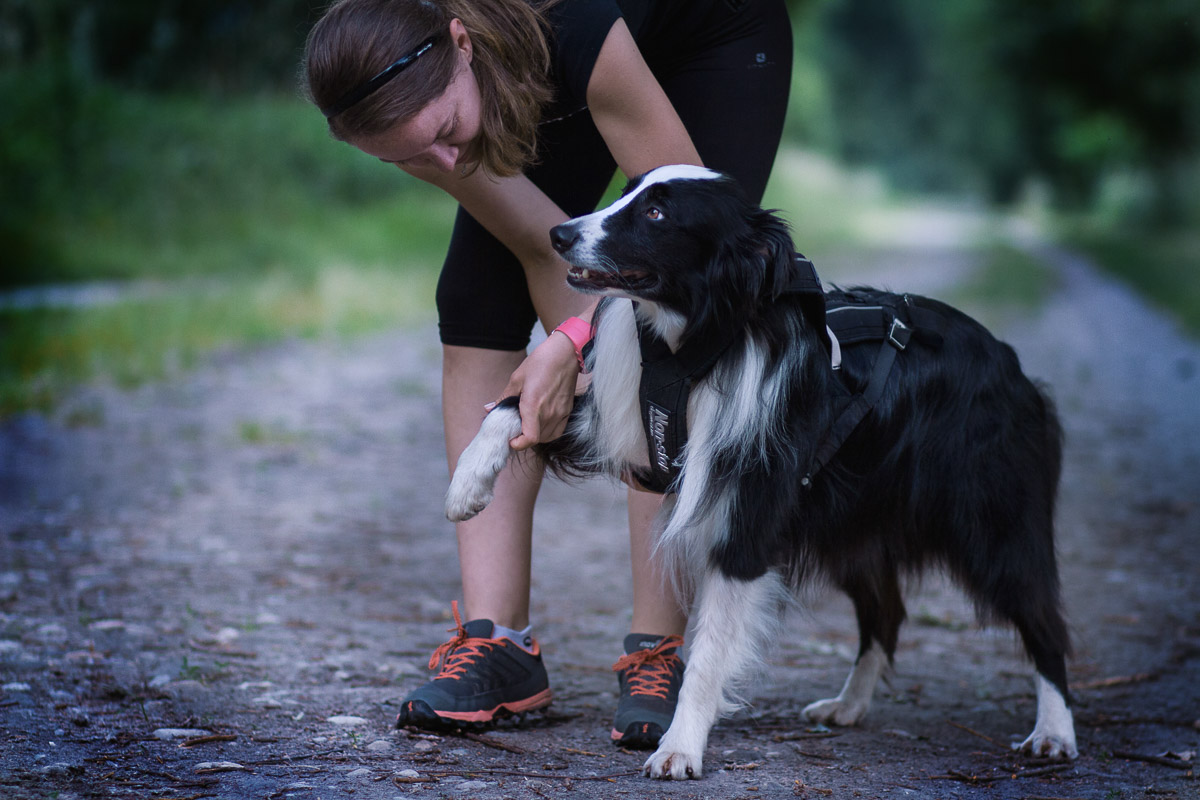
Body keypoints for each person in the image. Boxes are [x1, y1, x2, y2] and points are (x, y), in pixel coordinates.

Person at [304, 0, 791, 747]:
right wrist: (568, 342)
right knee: (472, 295)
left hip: (712, 29)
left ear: (460, 45)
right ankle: (497, 643)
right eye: (402, 159)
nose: (440, 165)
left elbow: (662, 266)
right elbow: (544, 248)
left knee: (679, 310)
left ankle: (656, 649)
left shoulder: (574, 29)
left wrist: (567, 343)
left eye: (439, 134)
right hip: (534, 66)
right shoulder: (405, 88)